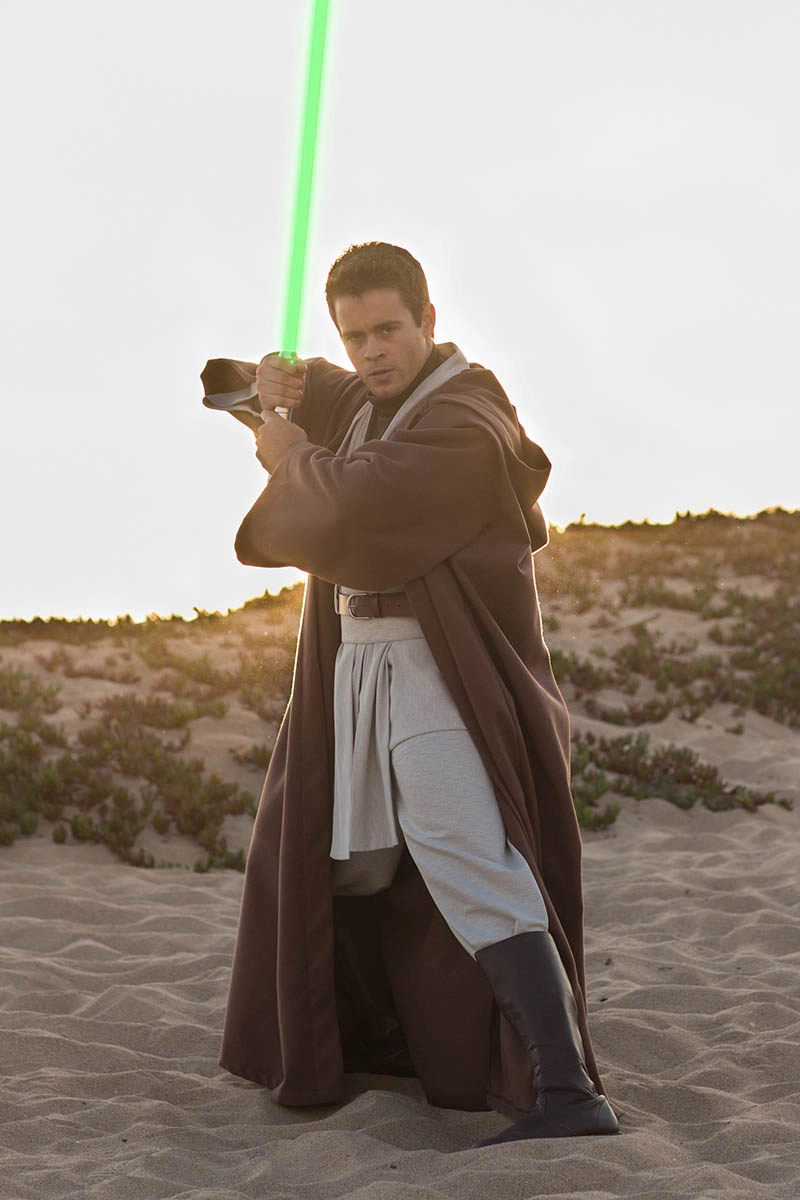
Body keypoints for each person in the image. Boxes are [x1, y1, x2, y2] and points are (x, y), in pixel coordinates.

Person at [216, 242, 618, 1145]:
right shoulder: (364, 396)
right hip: (356, 672)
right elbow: (282, 390)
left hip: (434, 671)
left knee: (467, 856)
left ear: (429, 321)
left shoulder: (466, 420)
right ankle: (388, 1047)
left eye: (389, 330)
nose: (372, 351)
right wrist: (264, 381)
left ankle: (567, 1090)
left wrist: (289, 453)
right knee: (342, 863)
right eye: (354, 336)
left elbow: (358, 501)